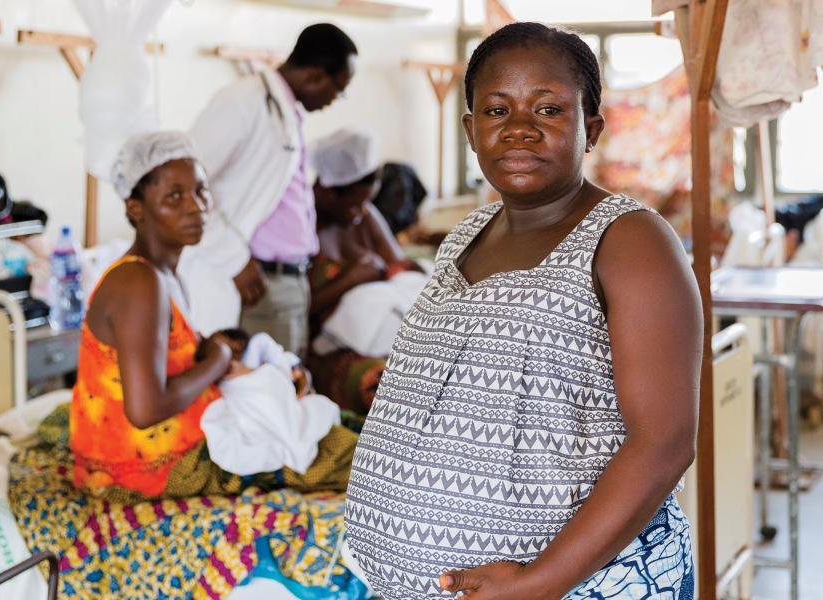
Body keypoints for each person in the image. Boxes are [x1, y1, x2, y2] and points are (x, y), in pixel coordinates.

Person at [344, 22, 703, 600]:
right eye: (496, 111)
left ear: (591, 129)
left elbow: (664, 444)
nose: (519, 129)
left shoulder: (631, 241)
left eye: (549, 109)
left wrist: (539, 582)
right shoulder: (466, 234)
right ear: (470, 130)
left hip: (579, 586)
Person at [68, 131, 355, 502]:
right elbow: (145, 409)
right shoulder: (139, 282)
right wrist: (218, 360)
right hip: (145, 470)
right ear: (135, 208)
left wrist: (228, 353)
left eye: (200, 191)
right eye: (174, 196)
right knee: (346, 454)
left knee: (329, 427)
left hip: (144, 453)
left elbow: (165, 353)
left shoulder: (160, 276)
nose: (195, 206)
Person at [182, 23, 358, 355]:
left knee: (286, 391)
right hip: (256, 281)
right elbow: (187, 184)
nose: (336, 100)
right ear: (316, 76)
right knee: (264, 394)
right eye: (339, 90)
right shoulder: (244, 101)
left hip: (286, 282)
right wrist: (234, 259)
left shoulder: (285, 110)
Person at [303, 128, 423, 413]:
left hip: (387, 332)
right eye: (355, 204)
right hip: (329, 349)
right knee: (392, 387)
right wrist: (349, 280)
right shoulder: (301, 226)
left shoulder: (364, 215)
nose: (361, 212)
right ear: (330, 191)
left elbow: (401, 271)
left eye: (367, 202)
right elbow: (295, 309)